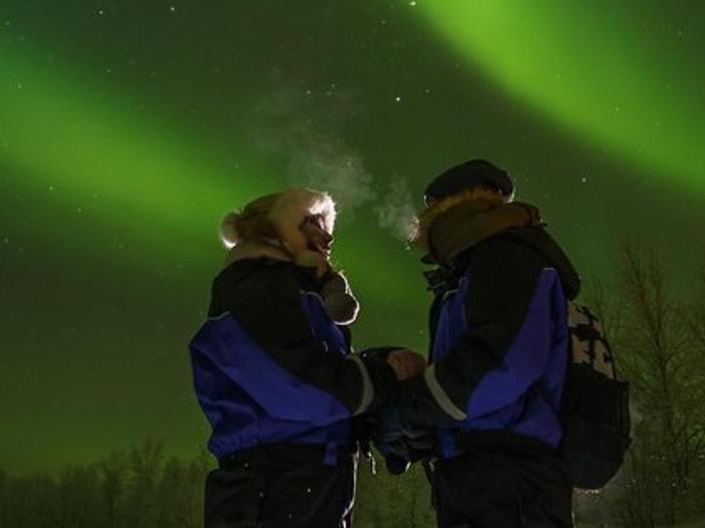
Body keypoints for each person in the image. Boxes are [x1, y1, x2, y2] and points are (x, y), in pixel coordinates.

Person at [190, 187, 424, 527]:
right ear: (277, 229)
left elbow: (310, 374)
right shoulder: (256, 289)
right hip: (272, 485)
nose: (326, 236)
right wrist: (382, 375)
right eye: (312, 222)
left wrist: (378, 368)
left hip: (305, 482)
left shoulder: (294, 294)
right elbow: (299, 386)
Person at [392, 160, 582, 528]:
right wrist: (431, 435)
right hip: (488, 475)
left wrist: (411, 407)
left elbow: (504, 365)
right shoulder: (471, 272)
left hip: (511, 480)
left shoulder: (505, 256)